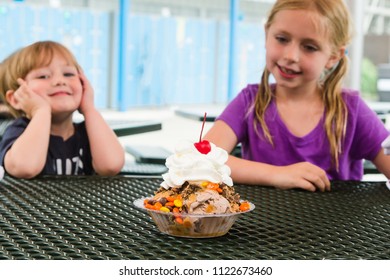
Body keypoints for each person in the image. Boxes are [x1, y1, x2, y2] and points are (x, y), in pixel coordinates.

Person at [204, 0, 390, 192]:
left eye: (309, 47)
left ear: (334, 56)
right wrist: (277, 174)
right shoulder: (249, 101)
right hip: (260, 221)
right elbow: (202, 158)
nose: (291, 55)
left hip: (337, 222)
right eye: (282, 39)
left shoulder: (351, 109)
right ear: (267, 34)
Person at [0, 41, 125, 178]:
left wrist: (89, 109)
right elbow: (25, 168)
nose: (60, 81)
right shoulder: (17, 131)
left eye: (68, 74)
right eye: (43, 76)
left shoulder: (89, 132)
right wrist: (41, 111)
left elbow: (111, 166)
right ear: (16, 98)